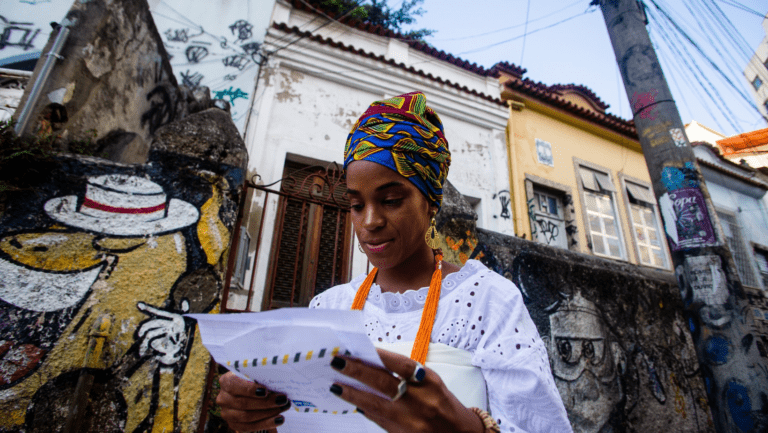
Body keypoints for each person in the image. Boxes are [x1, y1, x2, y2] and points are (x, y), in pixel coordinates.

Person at [216, 92, 572, 433]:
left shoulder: (488, 301)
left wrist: (466, 427)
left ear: (431, 203)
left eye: (390, 200)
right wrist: (260, 415)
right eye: (356, 205)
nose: (369, 221)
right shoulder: (329, 307)